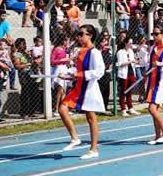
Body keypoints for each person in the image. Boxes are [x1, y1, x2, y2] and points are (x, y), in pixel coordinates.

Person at [58, 24, 105, 160]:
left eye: (81, 34)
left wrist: (79, 74)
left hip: (88, 88)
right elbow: (77, 71)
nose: (78, 36)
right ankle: (74, 138)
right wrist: (68, 75)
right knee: (62, 109)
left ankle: (93, 149)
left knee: (91, 118)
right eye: (78, 34)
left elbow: (99, 71)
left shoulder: (94, 52)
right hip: (78, 86)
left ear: (89, 35)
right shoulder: (80, 51)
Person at [116, 38, 139, 116]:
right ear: (125, 43)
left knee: (129, 91)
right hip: (123, 73)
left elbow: (132, 61)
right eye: (129, 43)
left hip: (131, 72)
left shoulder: (130, 51)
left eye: (131, 43)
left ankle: (130, 108)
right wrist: (130, 61)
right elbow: (120, 64)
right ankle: (123, 109)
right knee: (123, 91)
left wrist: (135, 61)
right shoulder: (120, 52)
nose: (131, 45)